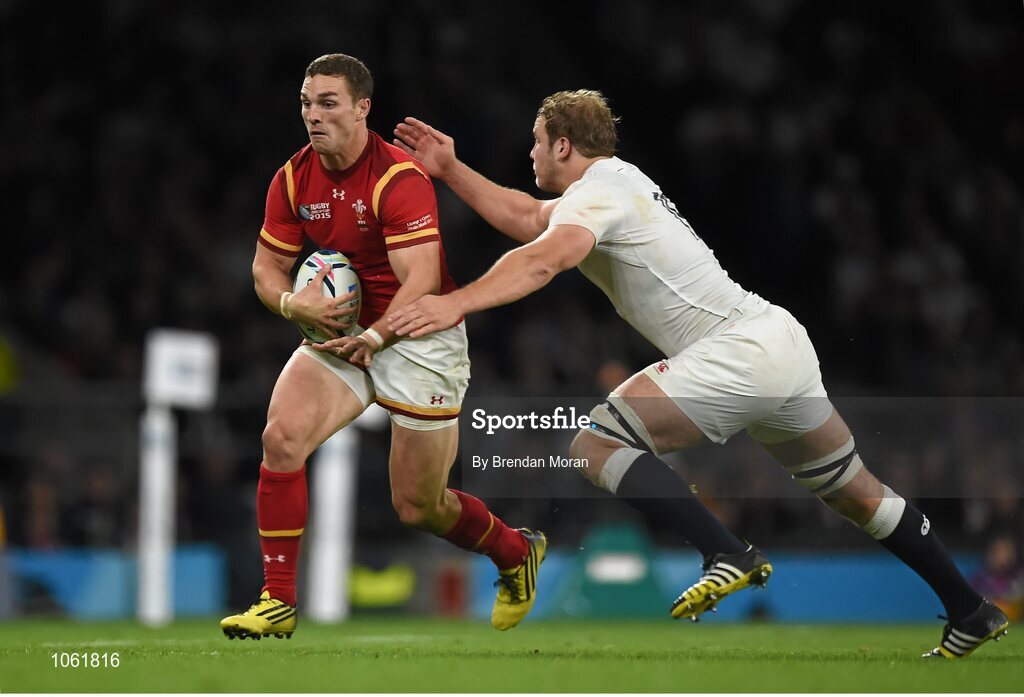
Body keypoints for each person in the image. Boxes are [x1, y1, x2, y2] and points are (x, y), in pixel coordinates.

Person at [375, 90, 1008, 658]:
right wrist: (452, 169)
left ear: (562, 144)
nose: (531, 153)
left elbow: (544, 259)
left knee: (596, 443)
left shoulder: (598, 195)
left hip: (738, 350)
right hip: (777, 340)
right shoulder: (610, 188)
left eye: (537, 141)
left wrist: (454, 302)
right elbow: (526, 218)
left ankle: (726, 552)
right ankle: (970, 609)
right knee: (853, 491)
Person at [219, 54, 545, 640]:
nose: (312, 116)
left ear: (362, 107)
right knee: (281, 437)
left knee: (419, 506)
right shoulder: (294, 177)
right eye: (305, 103)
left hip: (420, 335)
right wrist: (295, 306)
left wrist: (376, 336)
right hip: (343, 332)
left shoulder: (398, 177)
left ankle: (515, 551)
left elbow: (420, 277)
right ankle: (277, 601)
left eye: (327, 103)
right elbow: (267, 267)